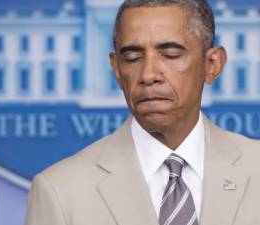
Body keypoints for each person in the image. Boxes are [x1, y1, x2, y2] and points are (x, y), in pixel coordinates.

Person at [25, 0, 260, 225]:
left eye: (170, 54)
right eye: (133, 58)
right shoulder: (59, 190)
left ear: (212, 65)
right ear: (117, 69)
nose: (148, 74)